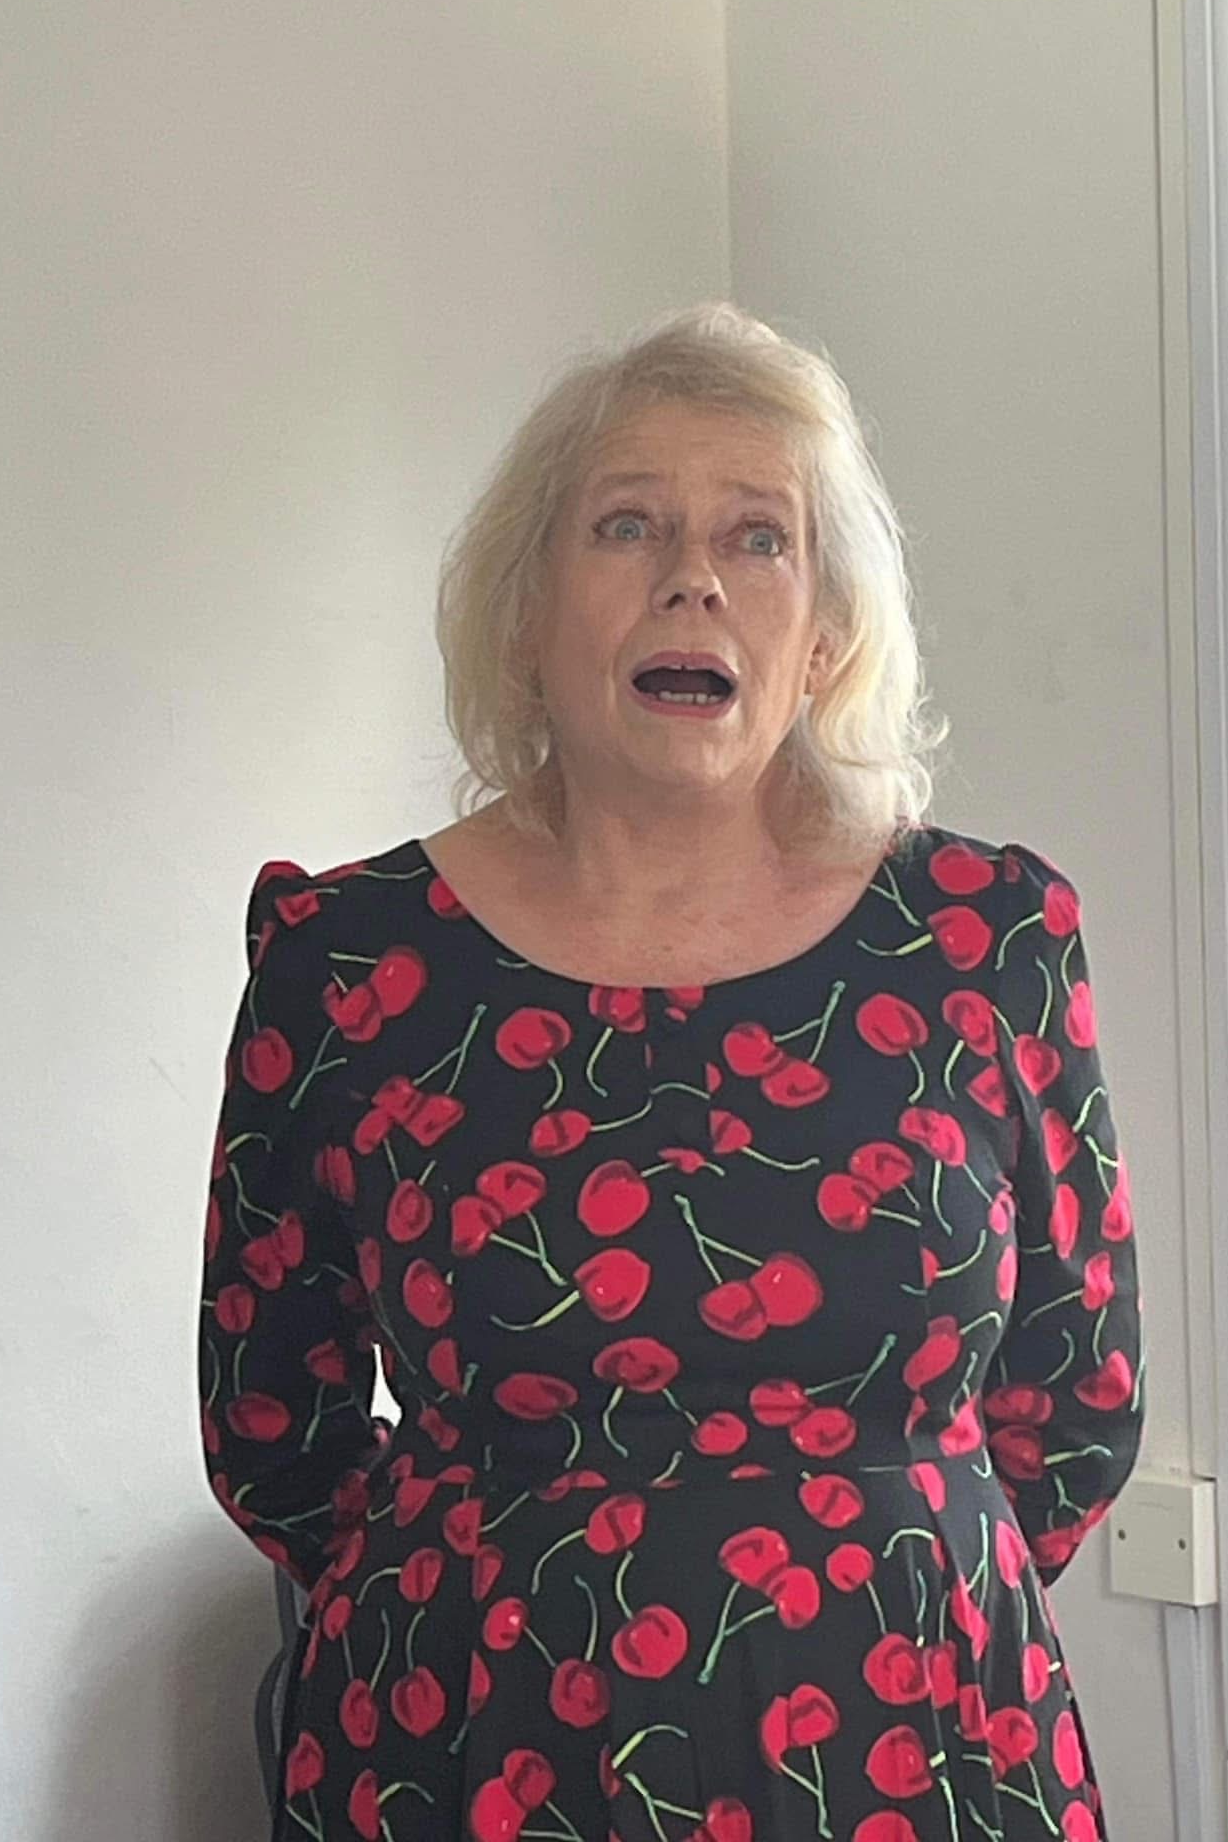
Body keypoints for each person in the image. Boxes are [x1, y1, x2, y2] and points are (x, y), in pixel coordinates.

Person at [197, 300, 1146, 1841]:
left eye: (758, 538)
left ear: (824, 633)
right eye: (627, 524)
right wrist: (484, 1590)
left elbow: (1078, 1396)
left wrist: (879, 1582)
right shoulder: (347, 966)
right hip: (467, 1751)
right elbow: (271, 1428)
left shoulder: (989, 942)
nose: (692, 576)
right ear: (527, 612)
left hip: (916, 1744)